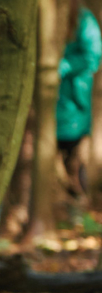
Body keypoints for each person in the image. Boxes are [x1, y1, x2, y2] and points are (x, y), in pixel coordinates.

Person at [57, 1, 101, 195]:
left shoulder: (84, 20)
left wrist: (65, 66)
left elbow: (93, 56)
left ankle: (77, 208)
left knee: (74, 161)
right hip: (50, 108)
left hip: (74, 103)